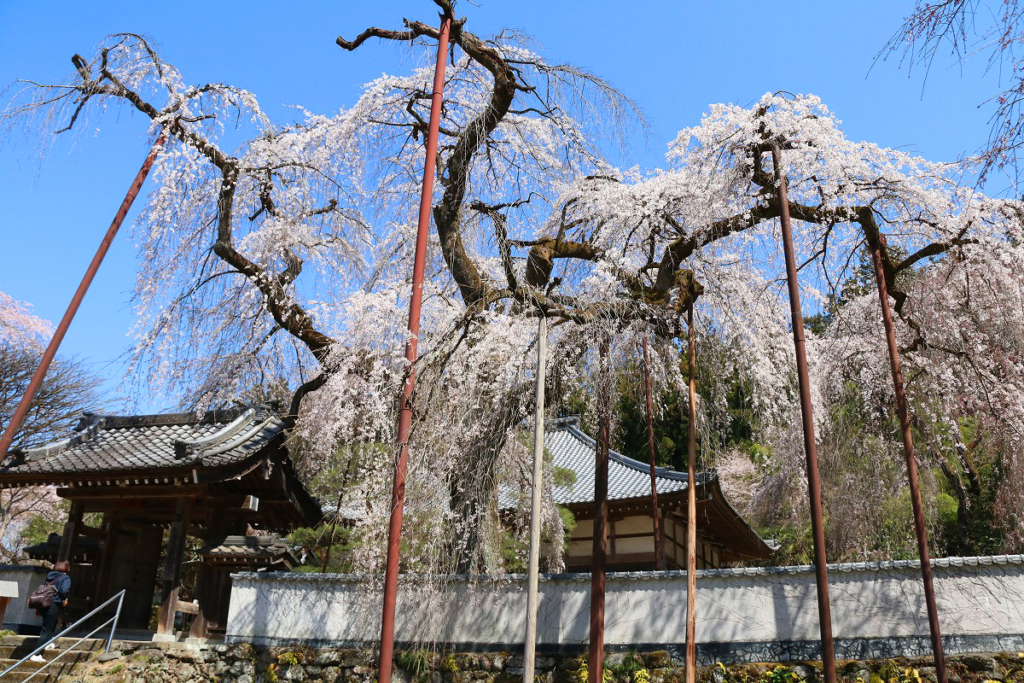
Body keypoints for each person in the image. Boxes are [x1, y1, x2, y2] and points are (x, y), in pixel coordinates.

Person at [28, 560, 71, 663]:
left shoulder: (49, 576)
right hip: (53, 605)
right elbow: (64, 591)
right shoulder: (65, 577)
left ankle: (47, 643)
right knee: (46, 630)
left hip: (43, 605)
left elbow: (44, 592)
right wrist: (64, 599)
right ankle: (36, 654)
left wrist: (38, 609)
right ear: (66, 568)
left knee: (52, 624)